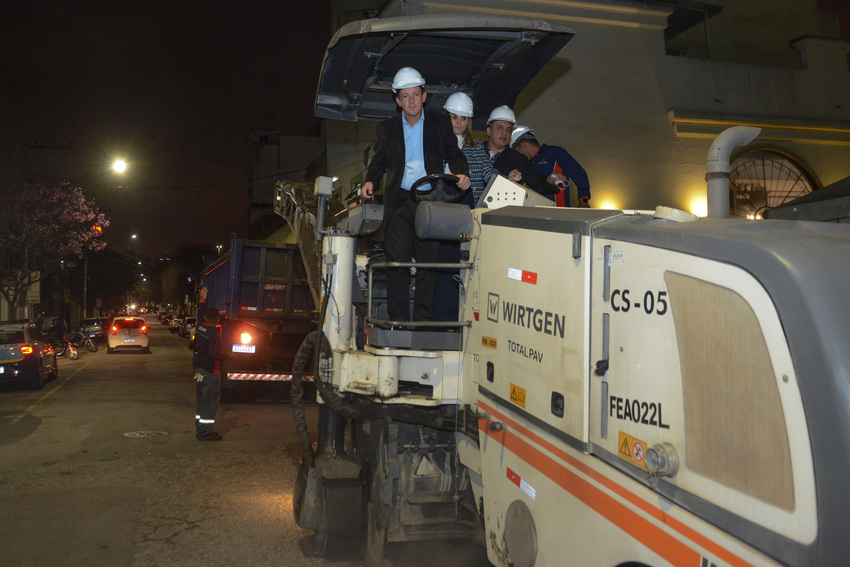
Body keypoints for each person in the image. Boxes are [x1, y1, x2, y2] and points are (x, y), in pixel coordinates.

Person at [360, 67, 470, 322]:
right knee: (396, 263)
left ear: (424, 96)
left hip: (430, 200)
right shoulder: (387, 128)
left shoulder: (439, 123)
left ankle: (423, 323)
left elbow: (454, 153)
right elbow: (379, 161)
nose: (411, 100)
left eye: (415, 95)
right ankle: (397, 321)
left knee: (427, 266)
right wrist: (370, 181)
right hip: (400, 201)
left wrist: (461, 174)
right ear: (398, 101)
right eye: (405, 96)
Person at [485, 105, 559, 197]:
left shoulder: (519, 160)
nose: (505, 133)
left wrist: (549, 180)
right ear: (489, 131)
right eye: (500, 128)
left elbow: (538, 182)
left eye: (509, 130)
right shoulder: (474, 152)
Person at [511, 125, 591, 208]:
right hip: (537, 214)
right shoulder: (527, 164)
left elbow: (579, 174)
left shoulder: (554, 152)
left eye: (517, 151)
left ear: (523, 145)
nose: (518, 155)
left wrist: (583, 201)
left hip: (560, 213)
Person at [193, 287, 227, 441]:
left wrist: (202, 299)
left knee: (201, 400)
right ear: (217, 320)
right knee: (210, 402)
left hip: (198, 370)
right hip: (209, 372)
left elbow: (200, 314)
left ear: (206, 318)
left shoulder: (199, 327)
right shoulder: (214, 335)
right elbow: (214, 355)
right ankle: (204, 433)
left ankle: (200, 428)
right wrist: (228, 355)